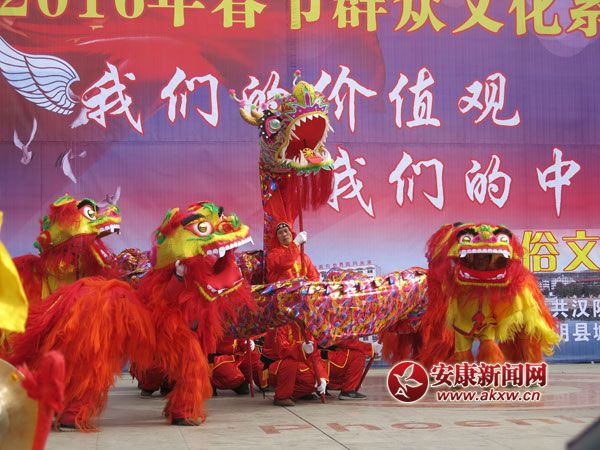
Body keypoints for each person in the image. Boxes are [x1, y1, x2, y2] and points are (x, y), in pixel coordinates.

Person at [264, 221, 326, 406]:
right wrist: (296, 244)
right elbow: (284, 263)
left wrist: (322, 378)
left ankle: (303, 390)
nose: (284, 234)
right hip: (284, 308)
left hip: (302, 307)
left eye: (287, 231)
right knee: (290, 363)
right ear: (277, 238)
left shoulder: (304, 257)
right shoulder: (273, 255)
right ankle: (282, 395)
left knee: (315, 376)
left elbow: (314, 278)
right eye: (280, 233)